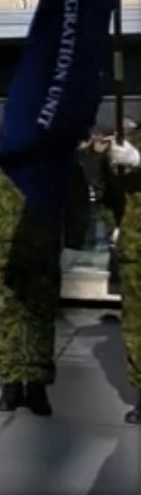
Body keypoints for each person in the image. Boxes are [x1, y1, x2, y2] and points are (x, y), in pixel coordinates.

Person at [0, 125, 61, 416]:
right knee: (7, 317)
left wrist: (74, 243)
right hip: (1, 251)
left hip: (42, 250)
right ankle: (11, 382)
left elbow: (75, 197)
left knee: (40, 320)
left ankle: (38, 385)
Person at [105, 130, 141, 424]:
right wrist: (115, 223)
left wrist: (139, 161)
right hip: (133, 249)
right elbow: (108, 193)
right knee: (135, 327)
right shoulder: (129, 139)